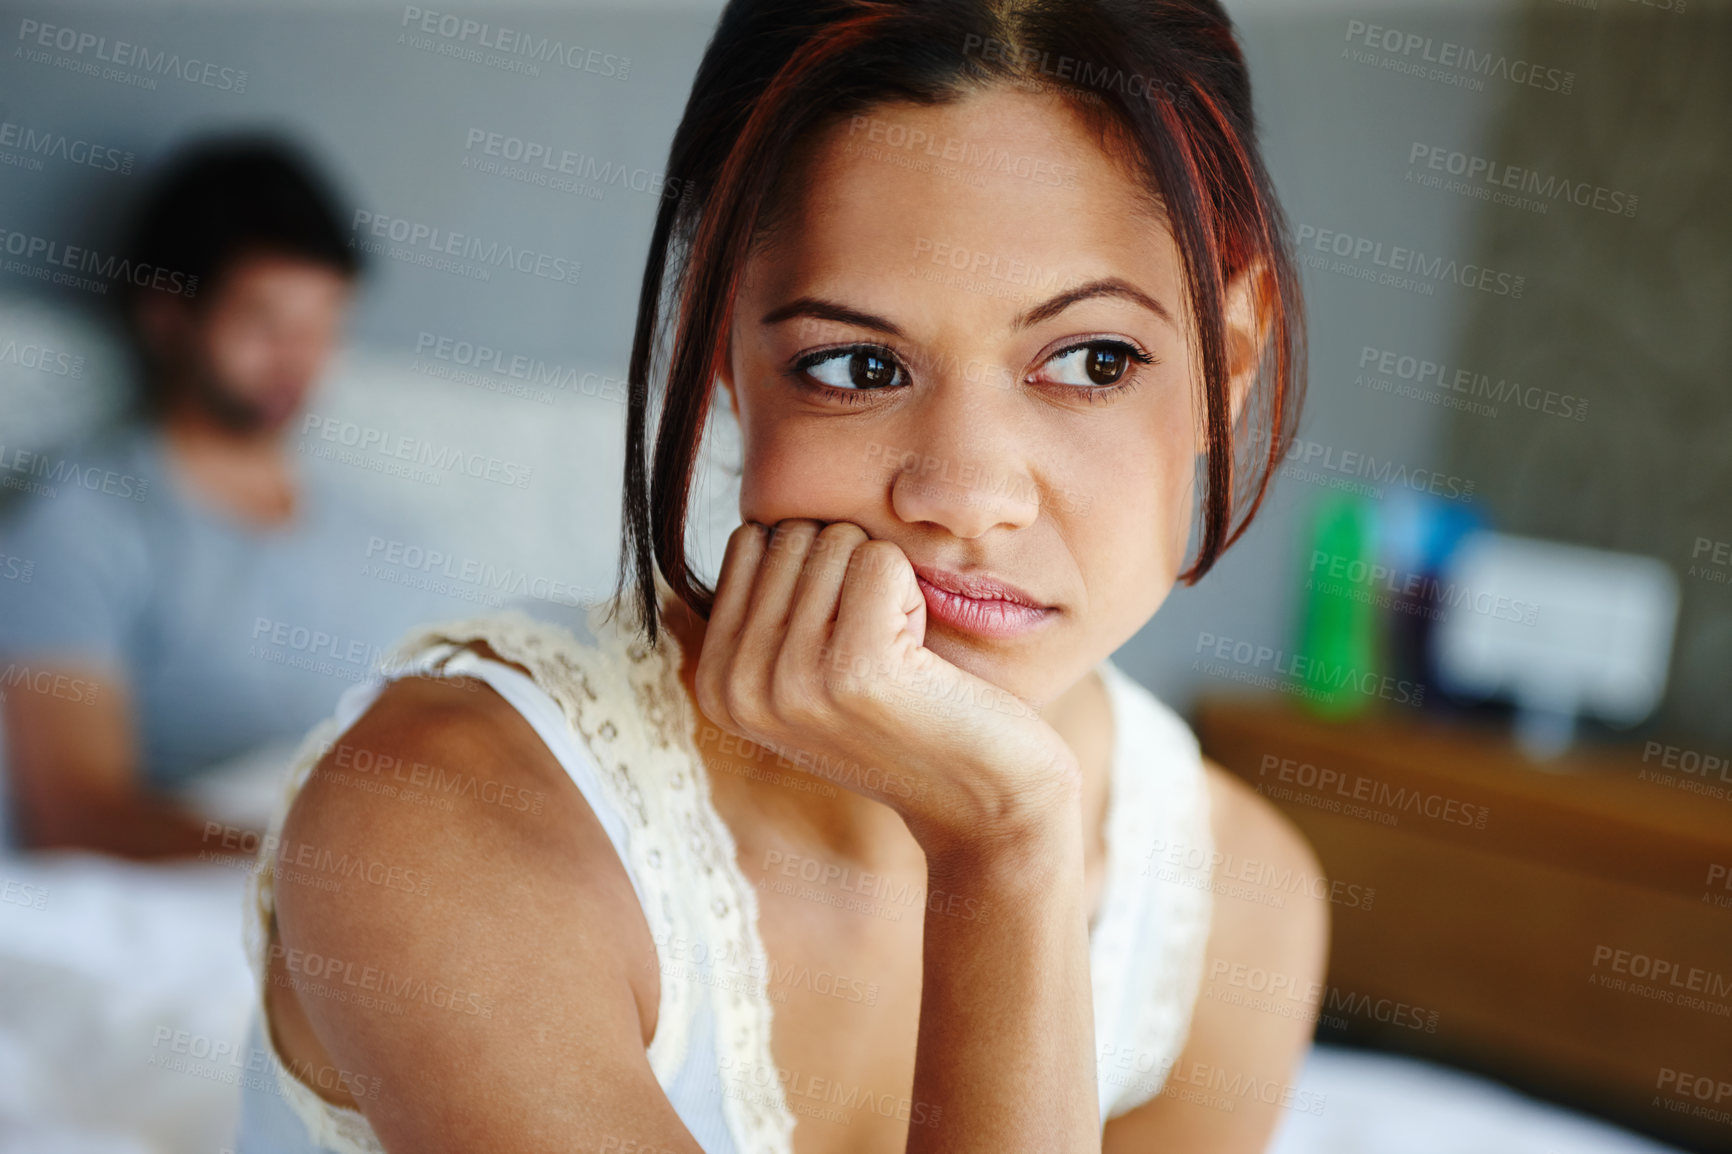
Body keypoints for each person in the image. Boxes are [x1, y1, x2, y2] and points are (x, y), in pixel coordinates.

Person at [238, 2, 1326, 1150]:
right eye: (857, 364)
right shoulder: (443, 811)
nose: (963, 493)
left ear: (1230, 362)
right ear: (722, 359)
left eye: (1092, 360)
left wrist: (1013, 847)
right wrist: (1002, 841)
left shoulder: (1239, 898)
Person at [0, 137, 450, 858]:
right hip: (201, 901)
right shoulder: (80, 524)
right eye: (264, 321)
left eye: (323, 323)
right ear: (167, 318)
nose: (296, 359)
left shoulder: (390, 542)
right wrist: (316, 864)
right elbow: (75, 818)